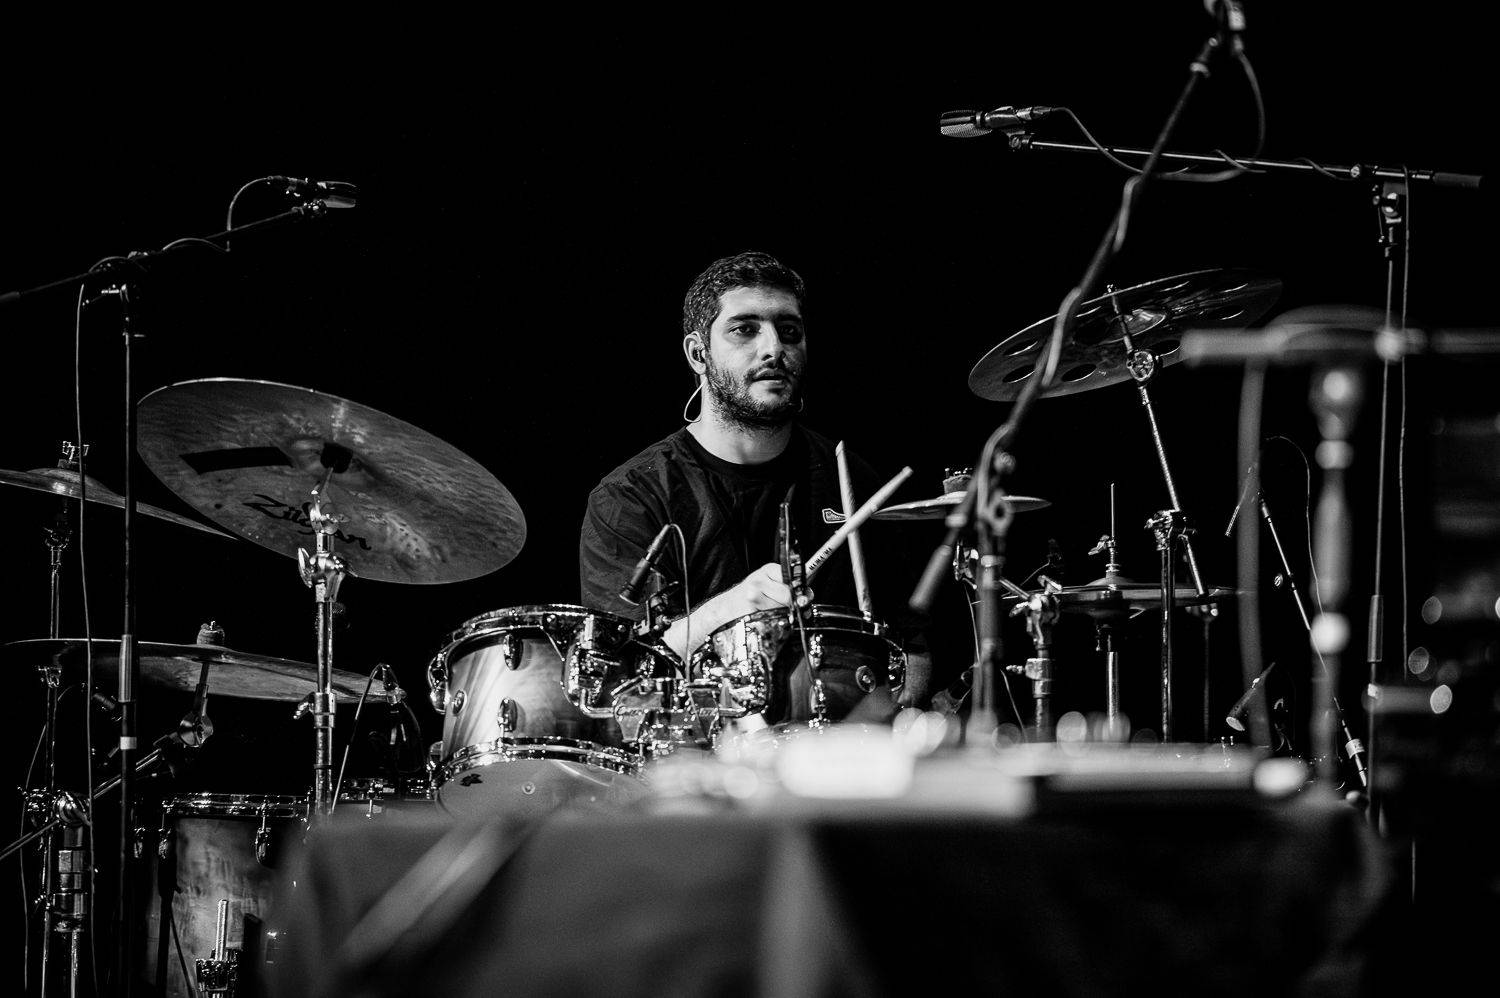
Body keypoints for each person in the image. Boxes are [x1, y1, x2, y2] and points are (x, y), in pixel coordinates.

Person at [578, 251, 930, 721]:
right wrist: (723, 612)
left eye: (789, 331)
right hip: (699, 753)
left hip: (846, 748)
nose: (774, 349)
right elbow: (622, 678)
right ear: (698, 354)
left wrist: (898, 713)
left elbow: (914, 647)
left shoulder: (850, 478)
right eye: (745, 329)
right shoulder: (631, 497)